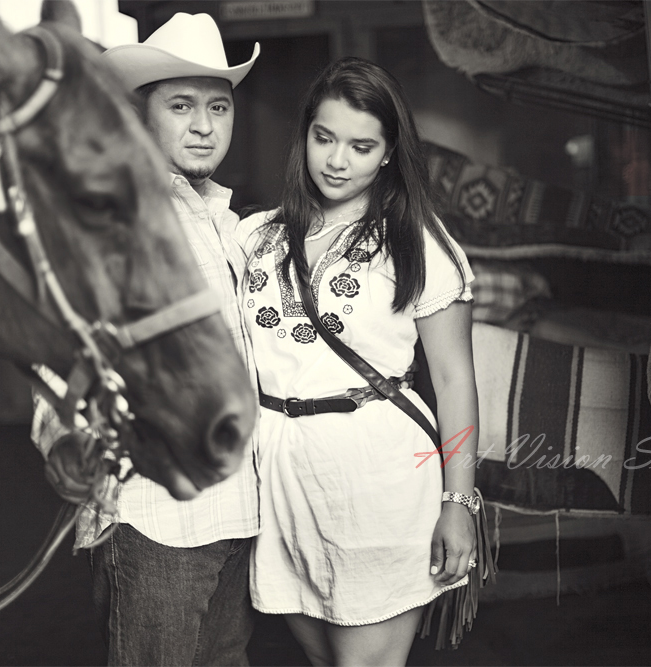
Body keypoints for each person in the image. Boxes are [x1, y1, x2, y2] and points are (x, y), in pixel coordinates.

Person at [230, 57, 480, 666]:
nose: (337, 161)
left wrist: (459, 503)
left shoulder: (417, 241)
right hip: (279, 482)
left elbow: (454, 379)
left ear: (390, 152)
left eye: (361, 146)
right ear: (306, 137)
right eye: (324, 138)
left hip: (378, 477)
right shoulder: (253, 236)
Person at [30, 13, 262, 666]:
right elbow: (59, 352)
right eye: (181, 105)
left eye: (219, 106)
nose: (203, 124)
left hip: (239, 512)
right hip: (161, 519)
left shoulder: (225, 222)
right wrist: (65, 435)